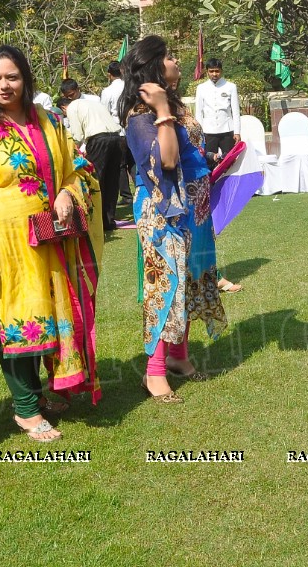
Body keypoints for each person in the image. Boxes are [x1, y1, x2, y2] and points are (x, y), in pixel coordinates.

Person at [0, 45, 103, 442]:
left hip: (50, 238)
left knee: (50, 315)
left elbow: (79, 169)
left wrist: (69, 194)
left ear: (26, 79)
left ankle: (47, 390)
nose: (4, 85)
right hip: (3, 247)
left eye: (12, 77)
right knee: (17, 323)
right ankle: (25, 410)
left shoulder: (51, 121)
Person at [120, 36, 228, 403]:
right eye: (168, 56)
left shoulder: (176, 106)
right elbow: (165, 162)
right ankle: (153, 372)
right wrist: (162, 108)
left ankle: (179, 357)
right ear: (152, 66)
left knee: (191, 278)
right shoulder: (140, 117)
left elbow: (189, 151)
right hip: (162, 212)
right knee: (166, 284)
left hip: (194, 208)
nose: (176, 60)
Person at [60, 77, 125, 232]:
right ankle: (109, 221)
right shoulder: (93, 102)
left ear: (63, 107)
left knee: (96, 180)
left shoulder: (72, 107)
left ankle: (96, 221)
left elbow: (77, 136)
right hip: (117, 138)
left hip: (99, 140)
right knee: (111, 180)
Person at [194, 58, 241, 166]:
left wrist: (237, 132)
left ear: (221, 71)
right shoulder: (201, 88)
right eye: (211, 71)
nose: (214, 74)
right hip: (208, 131)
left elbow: (235, 111)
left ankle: (229, 183)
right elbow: (199, 112)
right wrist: (200, 132)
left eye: (217, 71)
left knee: (229, 162)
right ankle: (211, 183)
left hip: (227, 131)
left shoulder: (230, 87)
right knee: (209, 162)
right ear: (207, 72)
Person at [101, 61, 134, 209]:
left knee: (120, 165)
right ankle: (141, 188)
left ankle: (126, 195)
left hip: (116, 130)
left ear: (109, 74)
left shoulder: (107, 91)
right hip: (132, 129)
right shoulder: (130, 87)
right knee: (133, 162)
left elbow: (104, 112)